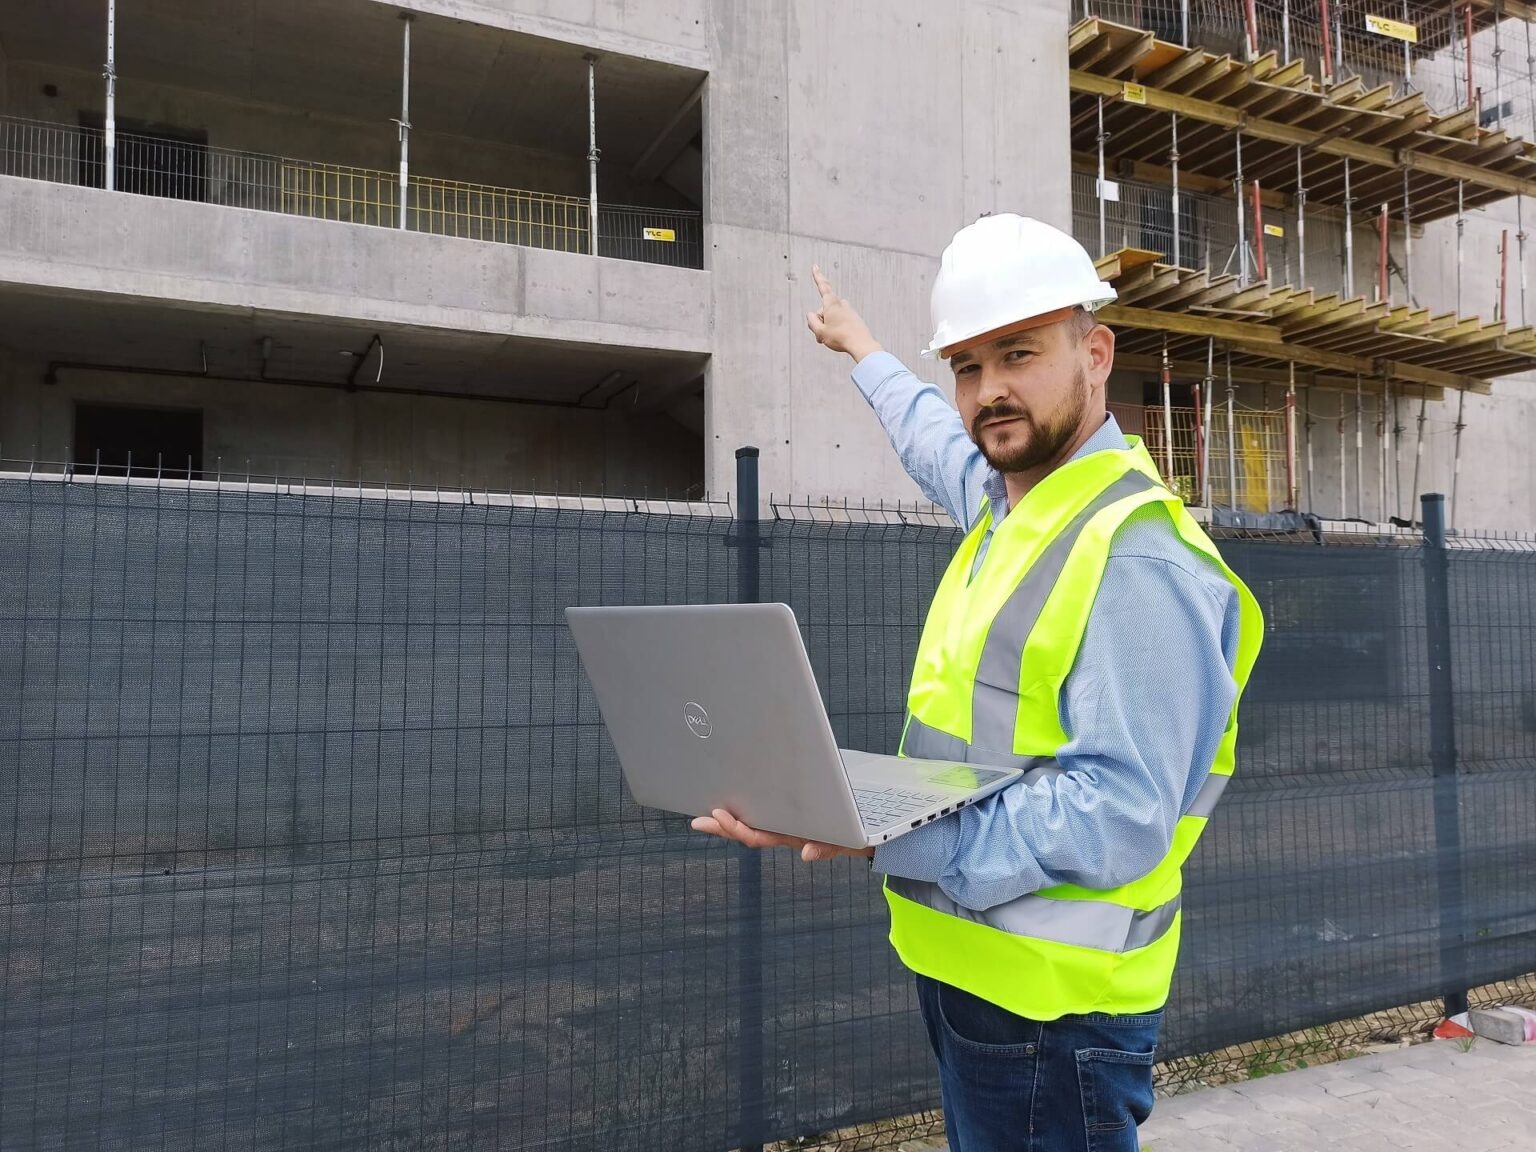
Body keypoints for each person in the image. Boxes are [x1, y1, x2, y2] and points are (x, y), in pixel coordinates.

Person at [692, 214, 1263, 1151]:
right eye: (966, 365)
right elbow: (934, 440)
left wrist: (882, 834)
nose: (989, 390)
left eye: (1018, 353)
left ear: (1096, 353)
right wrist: (864, 348)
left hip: (1055, 1018)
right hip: (978, 983)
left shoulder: (1136, 558)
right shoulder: (1015, 507)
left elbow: (1118, 814)